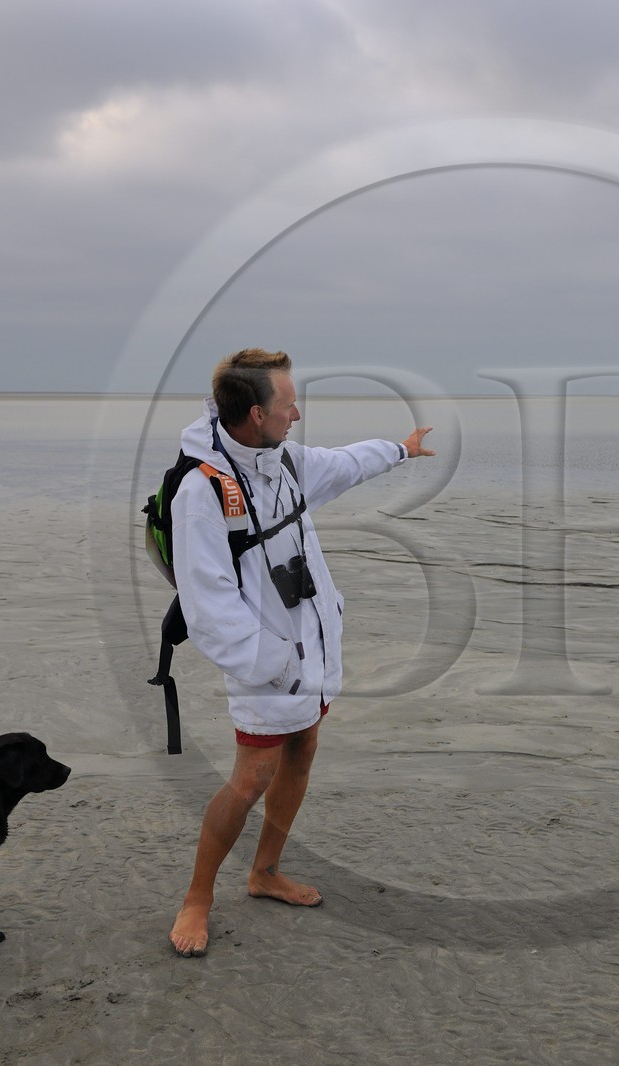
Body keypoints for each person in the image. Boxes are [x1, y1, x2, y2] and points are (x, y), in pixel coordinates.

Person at [167, 347, 434, 957]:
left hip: (309, 649)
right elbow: (207, 605)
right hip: (266, 662)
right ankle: (197, 898)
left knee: (305, 747)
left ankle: (264, 873)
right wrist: (273, 664)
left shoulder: (277, 459)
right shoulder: (200, 490)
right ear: (256, 413)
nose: (298, 414)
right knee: (251, 775)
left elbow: (338, 466)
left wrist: (398, 450)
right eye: (289, 405)